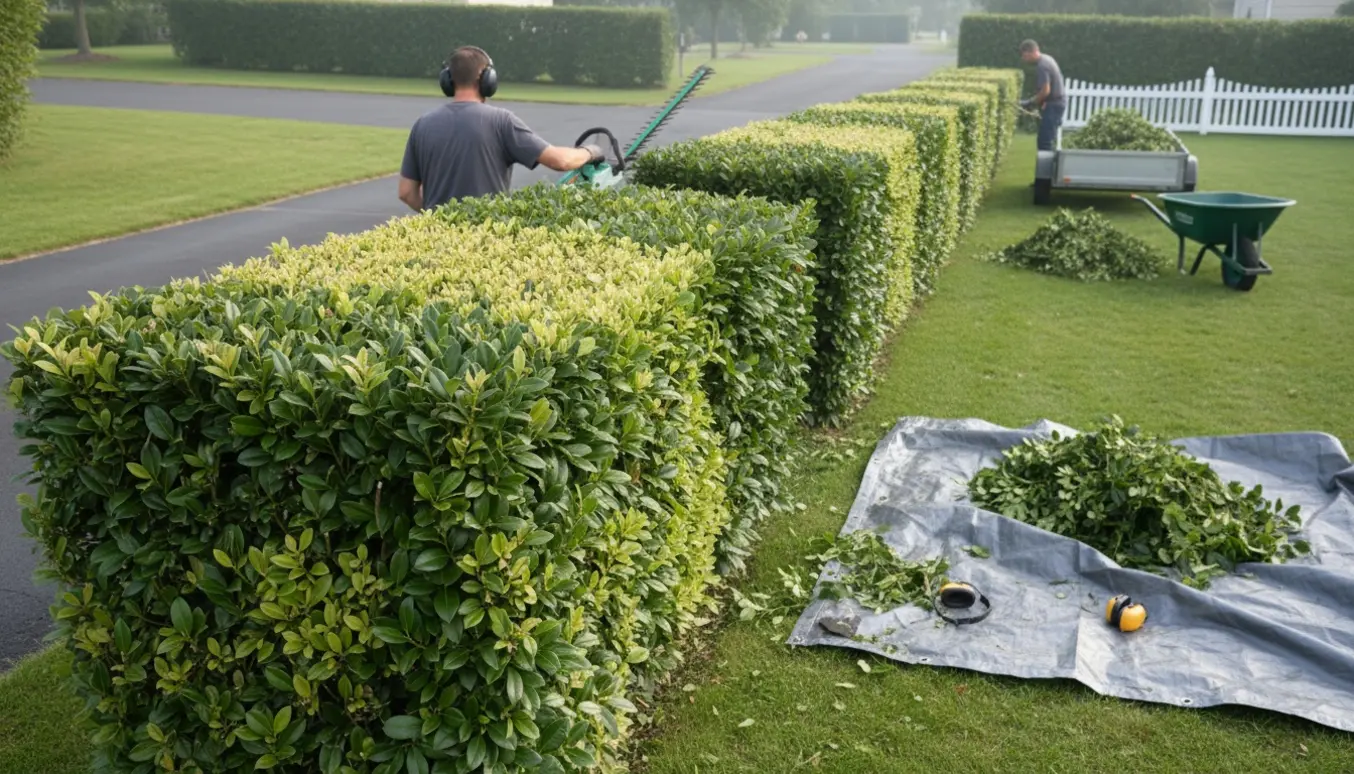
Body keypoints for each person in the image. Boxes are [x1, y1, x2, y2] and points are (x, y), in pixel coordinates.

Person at [398, 46, 605, 212]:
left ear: (447, 81)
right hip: (488, 245)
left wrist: (438, 216)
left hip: (438, 243)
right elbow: (561, 161)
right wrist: (591, 152)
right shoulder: (501, 121)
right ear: (488, 80)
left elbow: (406, 192)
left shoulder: (422, 125)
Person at [1019, 39, 1065, 152]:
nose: (1024, 59)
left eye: (1025, 56)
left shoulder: (1042, 66)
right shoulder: (1047, 59)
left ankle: (1046, 169)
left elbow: (1045, 91)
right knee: (1049, 139)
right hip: (1056, 104)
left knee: (1045, 142)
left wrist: (1030, 103)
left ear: (1032, 52)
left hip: (1053, 106)